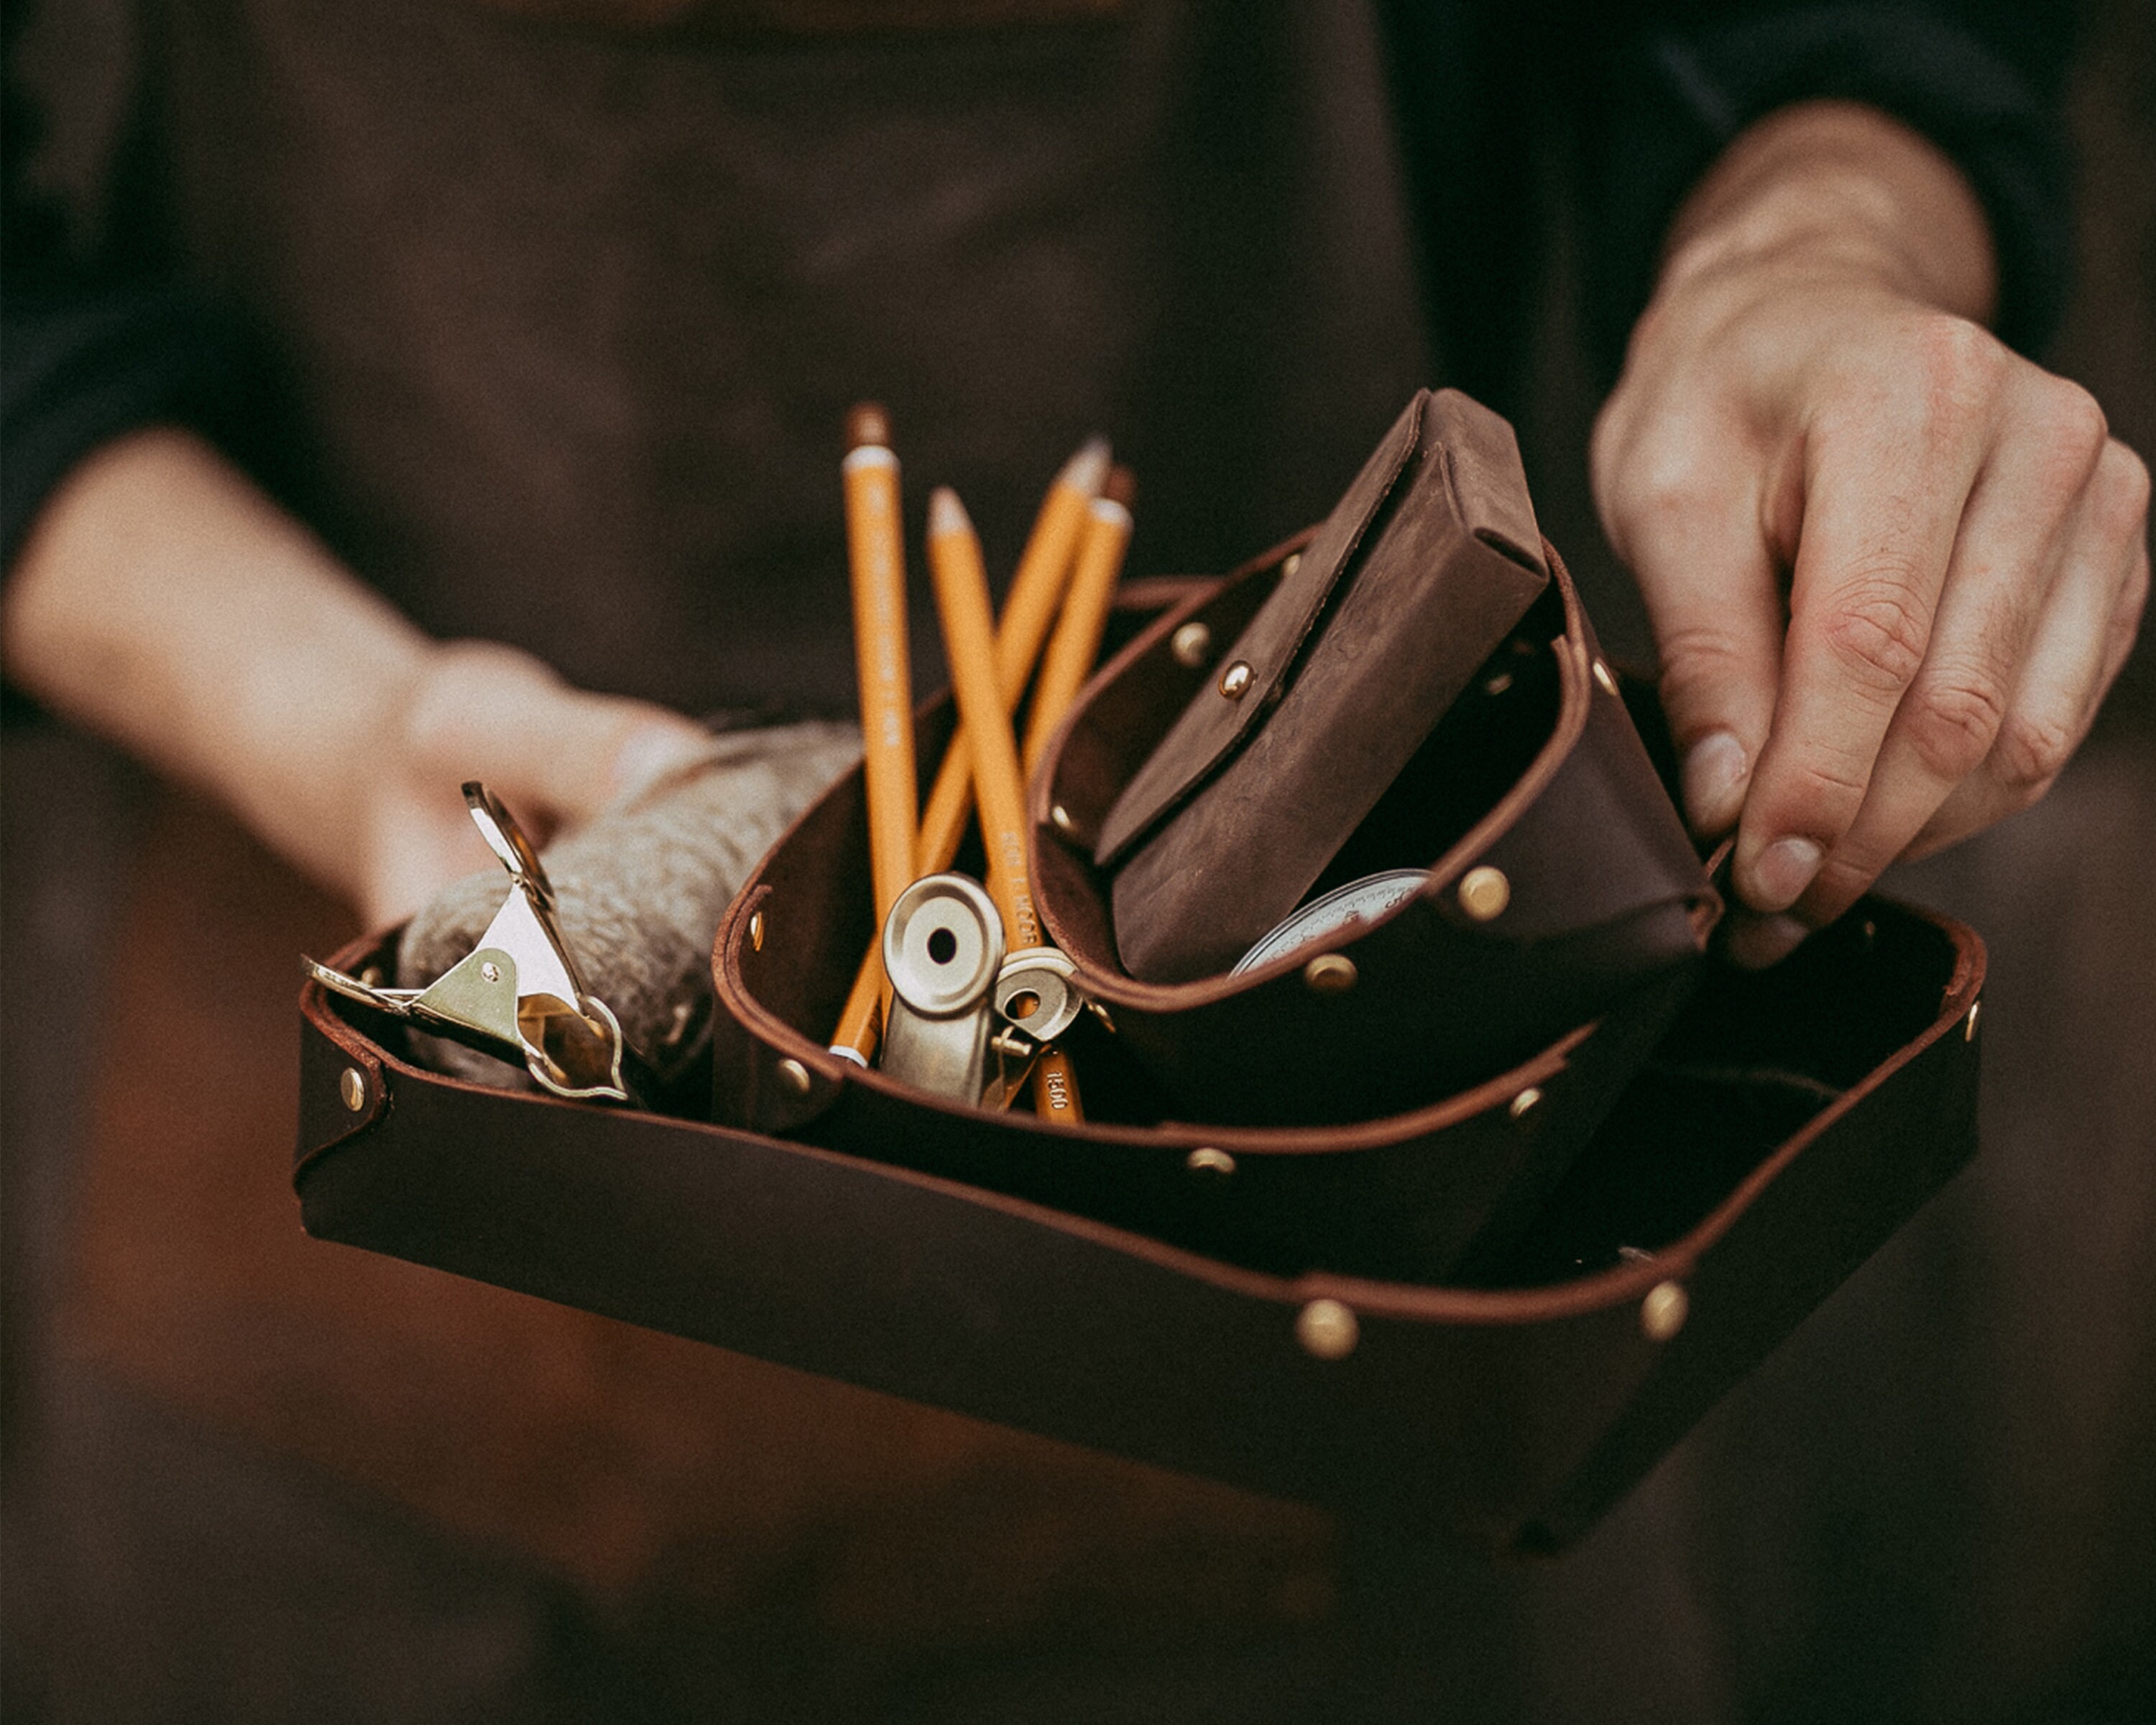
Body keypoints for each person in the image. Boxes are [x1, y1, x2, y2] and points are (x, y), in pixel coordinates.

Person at [2, 0, 2147, 1716]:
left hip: (1290, 1239)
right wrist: (323, 715)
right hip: (350, 1066)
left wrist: (1812, 241)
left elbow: (1862, 31)